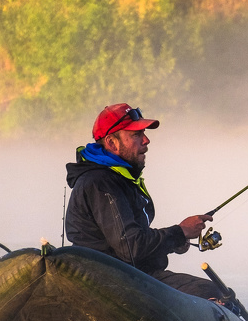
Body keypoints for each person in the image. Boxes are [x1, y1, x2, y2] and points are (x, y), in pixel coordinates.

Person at [64, 103, 223, 300]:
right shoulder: (101, 182)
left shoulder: (117, 177)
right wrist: (179, 232)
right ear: (112, 143)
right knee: (210, 292)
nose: (146, 140)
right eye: (136, 135)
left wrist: (177, 241)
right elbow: (131, 248)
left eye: (144, 133)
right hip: (110, 283)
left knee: (213, 291)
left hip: (127, 275)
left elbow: (130, 241)